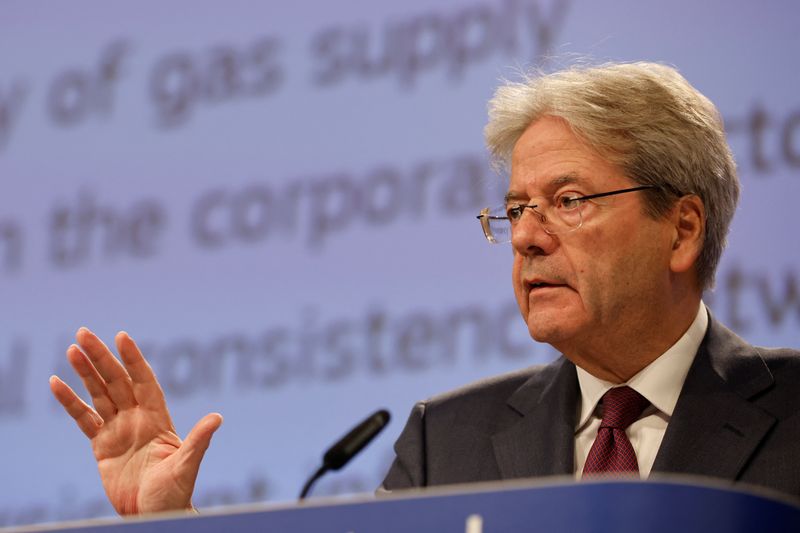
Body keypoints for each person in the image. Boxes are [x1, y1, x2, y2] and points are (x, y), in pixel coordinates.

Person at [49, 61, 800, 516]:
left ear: (682, 229)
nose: (529, 236)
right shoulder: (450, 442)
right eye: (514, 210)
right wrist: (176, 521)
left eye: (568, 201)